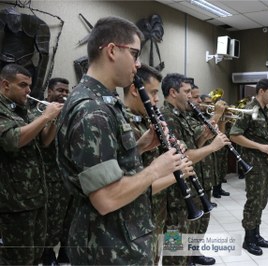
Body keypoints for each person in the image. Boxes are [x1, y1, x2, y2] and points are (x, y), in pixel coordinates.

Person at [55, 16, 187, 265]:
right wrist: (155, 169)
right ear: (113, 50)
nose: (138, 64)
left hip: (119, 239)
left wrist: (140, 146)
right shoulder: (92, 110)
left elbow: (106, 165)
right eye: (135, 54)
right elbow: (105, 199)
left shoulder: (101, 101)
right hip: (109, 248)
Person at [160, 73, 230, 265]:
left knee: (189, 238)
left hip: (191, 185)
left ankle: (191, 257)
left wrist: (205, 138)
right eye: (187, 92)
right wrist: (212, 146)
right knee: (174, 249)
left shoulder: (182, 115)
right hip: (177, 193)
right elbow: (182, 157)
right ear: (173, 93)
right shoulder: (166, 116)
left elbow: (192, 146)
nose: (191, 96)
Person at [0, 63, 63, 265]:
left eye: (29, 85)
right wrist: (46, 115)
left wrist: (54, 120)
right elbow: (12, 140)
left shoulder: (22, 109)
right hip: (13, 205)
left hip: (35, 198)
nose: (29, 90)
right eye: (23, 85)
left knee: (35, 257)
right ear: (5, 84)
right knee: (16, 260)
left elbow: (44, 141)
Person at [123, 63, 169, 265]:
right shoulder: (122, 124)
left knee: (155, 257)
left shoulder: (146, 120)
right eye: (153, 93)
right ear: (135, 90)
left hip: (157, 209)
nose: (157, 99)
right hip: (135, 217)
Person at [229, 78, 268, 256]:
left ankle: (256, 235)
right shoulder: (250, 109)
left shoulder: (265, 111)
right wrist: (260, 146)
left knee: (262, 200)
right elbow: (234, 135)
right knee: (254, 200)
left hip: (266, 163)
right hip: (254, 162)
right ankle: (248, 239)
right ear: (261, 91)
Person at [36, 77, 72, 265]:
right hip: (49, 181)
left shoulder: (69, 113)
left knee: (67, 223)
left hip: (68, 180)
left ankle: (64, 256)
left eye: (66, 91)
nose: (64, 95)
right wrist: (55, 117)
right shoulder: (39, 112)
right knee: (50, 224)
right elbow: (46, 141)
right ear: (49, 92)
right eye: (59, 90)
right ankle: (47, 256)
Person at [199, 93, 230, 199]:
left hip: (216, 147)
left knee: (218, 169)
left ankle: (217, 189)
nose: (210, 105)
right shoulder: (200, 116)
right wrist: (217, 114)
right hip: (205, 150)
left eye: (211, 103)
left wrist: (223, 121)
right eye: (207, 103)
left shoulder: (210, 115)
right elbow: (202, 134)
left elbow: (221, 133)